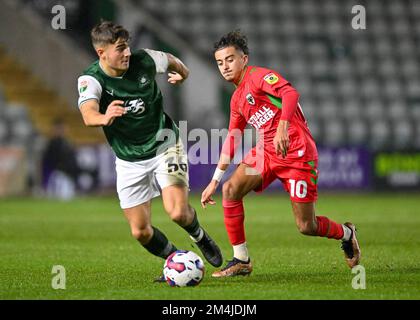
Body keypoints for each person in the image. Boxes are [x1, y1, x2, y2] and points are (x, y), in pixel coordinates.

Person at [201, 31, 361, 278]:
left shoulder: (259, 76)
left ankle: (347, 233)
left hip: (296, 152)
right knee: (230, 189)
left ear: (244, 58)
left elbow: (290, 93)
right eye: (220, 62)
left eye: (230, 59)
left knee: (307, 226)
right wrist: (214, 180)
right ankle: (241, 260)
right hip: (266, 152)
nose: (225, 66)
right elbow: (233, 138)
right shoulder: (236, 100)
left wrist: (283, 126)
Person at [77, 21, 222, 281]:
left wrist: (183, 74)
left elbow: (174, 60)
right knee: (140, 232)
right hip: (129, 159)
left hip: (165, 144)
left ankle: (200, 236)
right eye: (120, 49)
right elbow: (88, 114)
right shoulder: (91, 79)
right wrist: (103, 116)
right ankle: (177, 260)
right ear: (102, 53)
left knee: (177, 212)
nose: (127, 53)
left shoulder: (145, 59)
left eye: (128, 47)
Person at [42, 118, 79, 200]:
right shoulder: (53, 143)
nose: (62, 130)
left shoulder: (67, 142)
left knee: (67, 198)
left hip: (69, 175)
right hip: (59, 174)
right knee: (59, 198)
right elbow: (48, 161)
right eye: (60, 128)